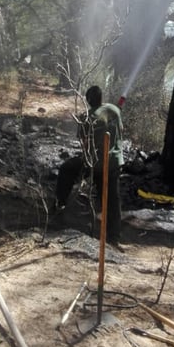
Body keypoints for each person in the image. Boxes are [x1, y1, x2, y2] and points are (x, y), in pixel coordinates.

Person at [53, 85, 124, 242]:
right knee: (112, 199)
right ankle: (114, 236)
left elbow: (84, 143)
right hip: (116, 161)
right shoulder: (114, 109)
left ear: (88, 100)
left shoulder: (88, 117)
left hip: (96, 163)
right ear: (101, 97)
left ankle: (60, 206)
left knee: (66, 169)